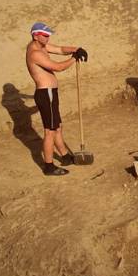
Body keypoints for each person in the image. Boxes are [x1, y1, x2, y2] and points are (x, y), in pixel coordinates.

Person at [25, 22, 88, 176]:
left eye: (48, 35)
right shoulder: (35, 53)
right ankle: (48, 166)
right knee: (50, 132)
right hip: (47, 94)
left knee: (57, 127)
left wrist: (76, 49)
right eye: (45, 35)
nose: (48, 37)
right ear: (35, 36)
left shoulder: (41, 45)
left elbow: (59, 49)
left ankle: (65, 157)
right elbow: (57, 67)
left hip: (50, 93)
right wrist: (74, 58)